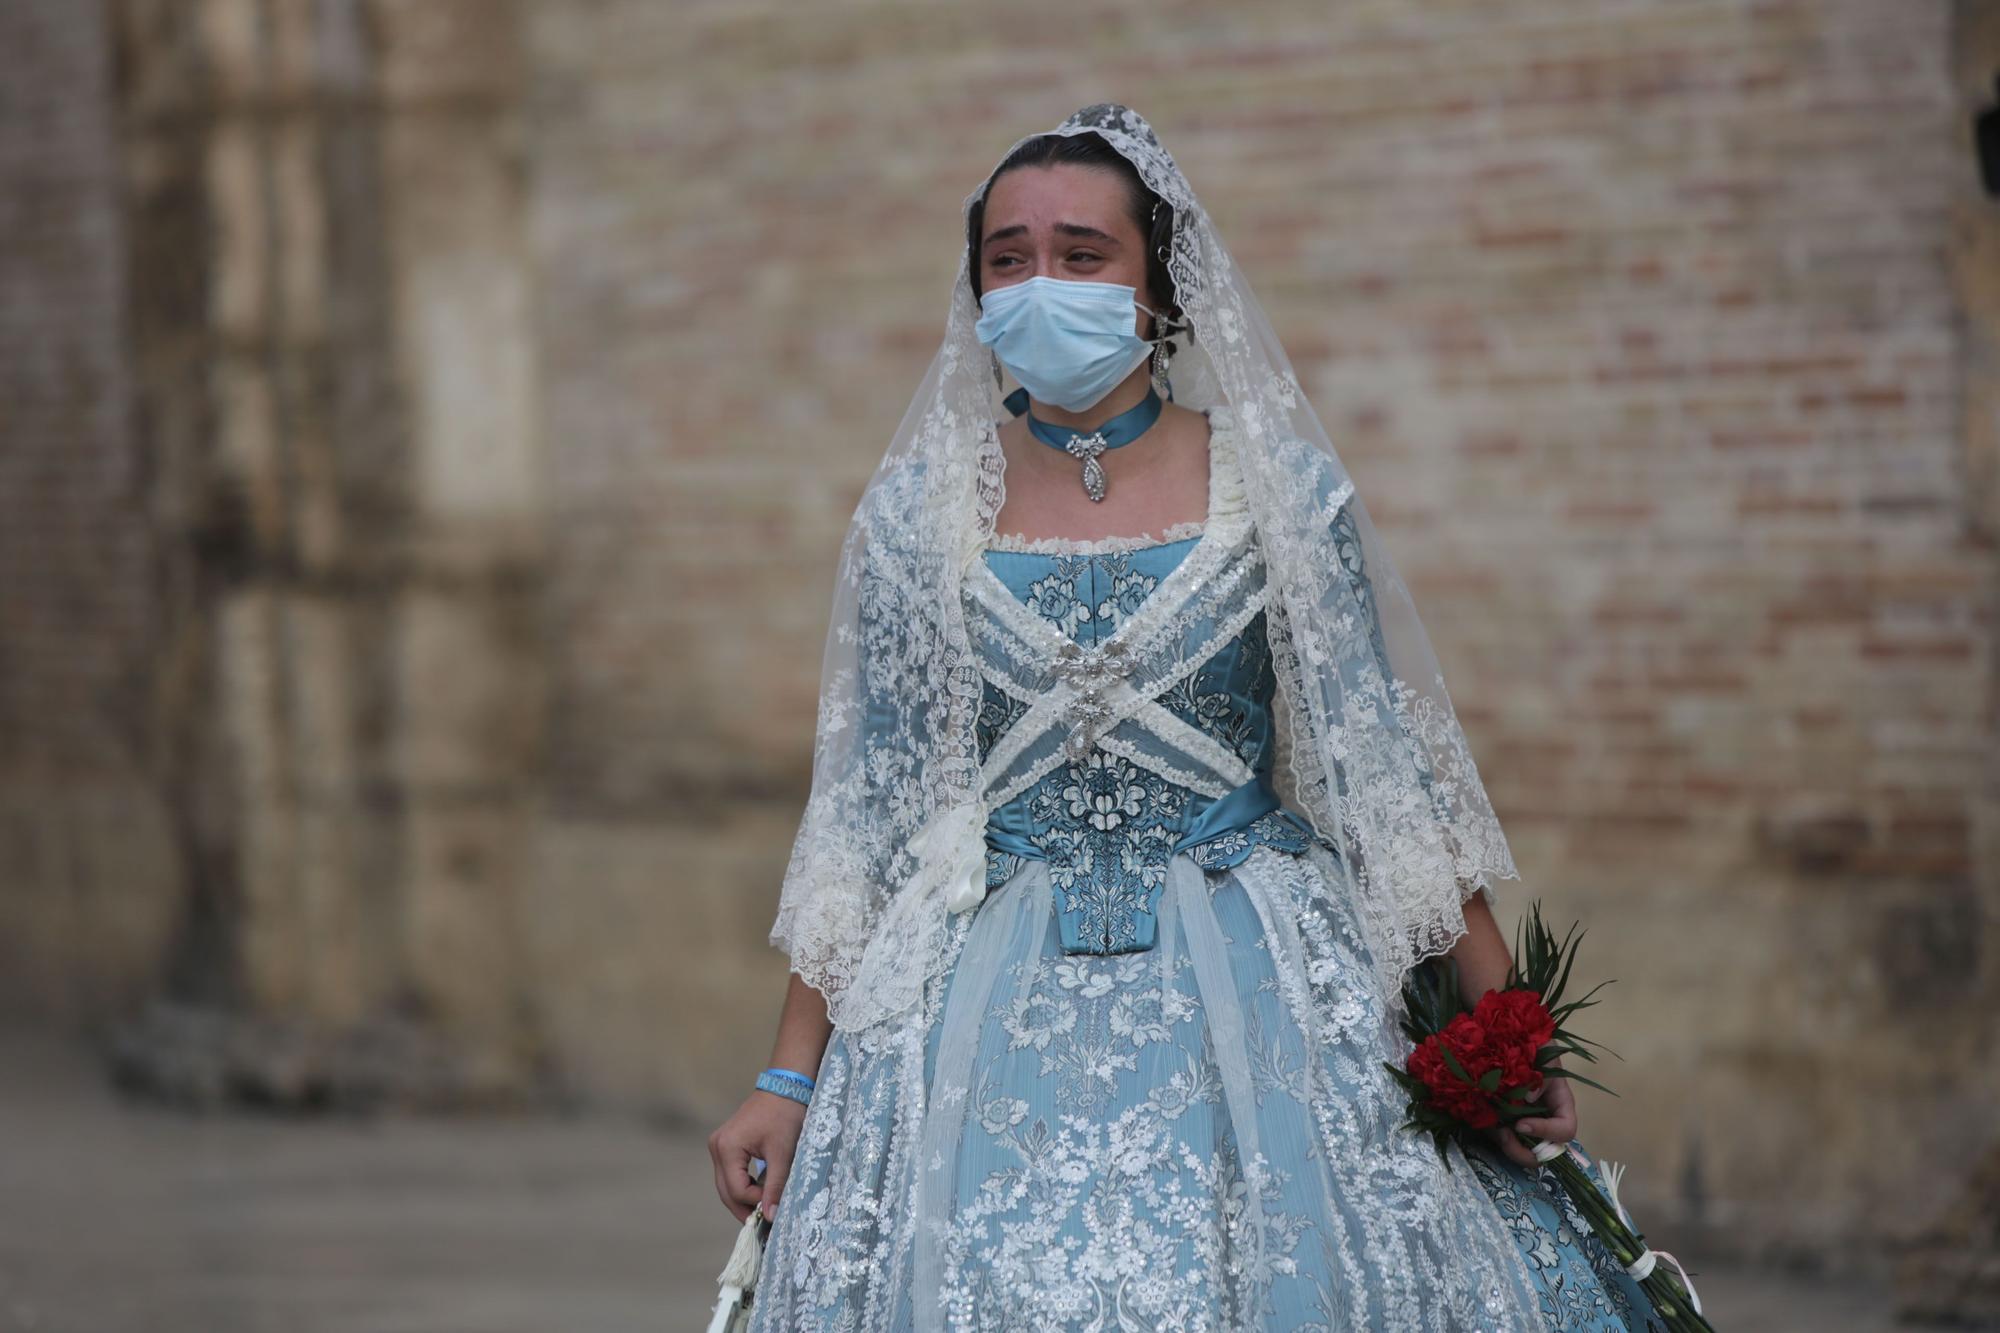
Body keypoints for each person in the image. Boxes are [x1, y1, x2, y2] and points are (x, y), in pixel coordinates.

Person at [709, 103, 1664, 1331]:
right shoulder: (916, 514)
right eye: (1006, 259)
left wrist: (1500, 1024)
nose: (1038, 284)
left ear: (1160, 284)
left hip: (1269, 986)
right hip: (971, 1011)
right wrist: (786, 1079)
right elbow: (865, 818)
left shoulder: (1274, 484)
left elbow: (1378, 776)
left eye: (1080, 254)